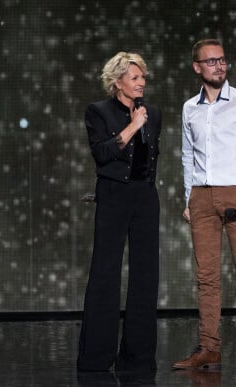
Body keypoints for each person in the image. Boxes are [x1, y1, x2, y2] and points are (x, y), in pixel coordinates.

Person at [172, 39, 236, 372]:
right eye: (210, 62)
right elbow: (187, 155)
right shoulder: (189, 108)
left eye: (222, 60)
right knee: (207, 278)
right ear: (197, 67)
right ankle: (209, 349)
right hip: (201, 196)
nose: (218, 66)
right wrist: (189, 198)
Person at [77, 51, 161, 372]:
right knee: (105, 273)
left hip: (144, 197)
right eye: (135, 78)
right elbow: (101, 153)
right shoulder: (98, 111)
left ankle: (138, 357)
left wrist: (148, 189)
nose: (142, 82)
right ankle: (96, 358)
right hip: (113, 195)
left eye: (143, 77)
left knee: (145, 275)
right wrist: (130, 128)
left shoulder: (152, 113)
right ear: (117, 82)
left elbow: (152, 156)